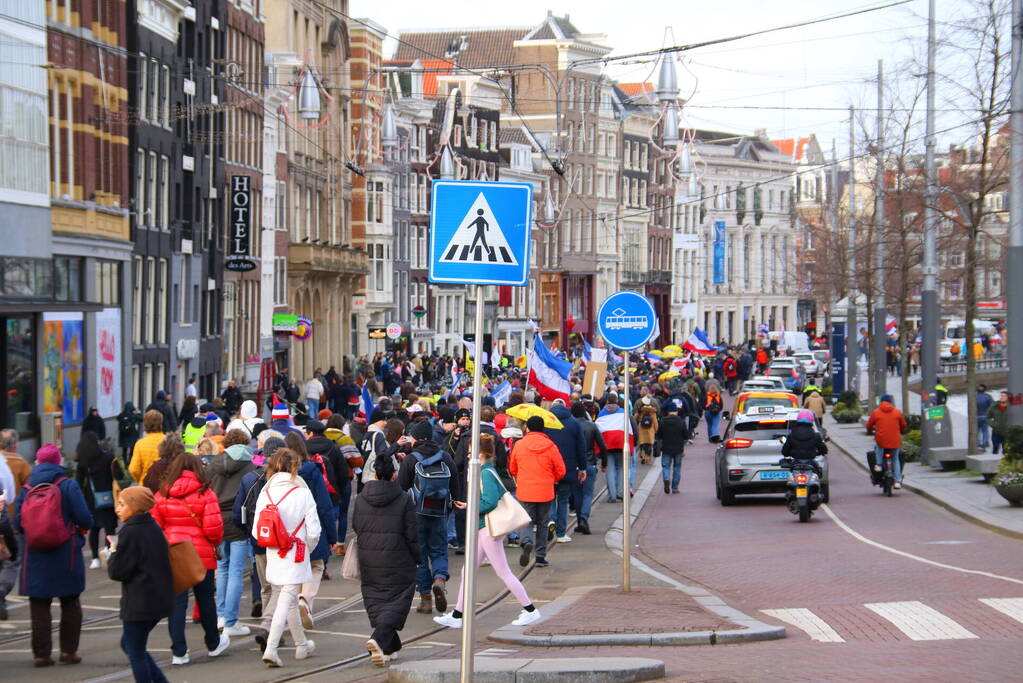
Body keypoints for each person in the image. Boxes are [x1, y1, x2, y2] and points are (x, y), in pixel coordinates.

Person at [435, 434, 542, 629]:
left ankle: (530, 610)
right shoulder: (486, 471)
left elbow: (489, 502)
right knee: (467, 570)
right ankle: (458, 615)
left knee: (503, 572)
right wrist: (470, 505)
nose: (468, 456)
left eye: (470, 452)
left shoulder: (485, 473)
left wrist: (471, 506)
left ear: (481, 453)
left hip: (487, 527)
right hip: (484, 527)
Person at [13, 443, 93, 667]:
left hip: (35, 555)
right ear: (58, 461)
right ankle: (68, 651)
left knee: (39, 605)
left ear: (38, 462)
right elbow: (85, 518)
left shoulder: (28, 488)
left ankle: (41, 654)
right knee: (70, 602)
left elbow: (17, 522)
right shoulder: (68, 485)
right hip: (65, 553)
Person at [151, 452, 229, 665]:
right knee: (205, 600)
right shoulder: (206, 493)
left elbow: (155, 525)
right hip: (200, 553)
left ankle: (179, 652)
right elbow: (213, 530)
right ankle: (213, 643)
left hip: (174, 551)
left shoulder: (163, 493)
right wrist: (213, 542)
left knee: (176, 604)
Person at [252, 447, 321, 667]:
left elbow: (256, 531)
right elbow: (314, 530)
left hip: (274, 551)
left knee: (286, 596)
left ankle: (301, 644)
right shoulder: (301, 492)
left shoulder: (266, 492)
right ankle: (272, 648)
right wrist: (307, 549)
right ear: (295, 466)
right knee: (286, 598)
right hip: (296, 551)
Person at [352, 453, 418, 667]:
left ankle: (390, 646)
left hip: (368, 558)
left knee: (377, 599)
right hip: (399, 557)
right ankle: (379, 638)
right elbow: (412, 534)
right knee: (398, 599)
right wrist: (418, 556)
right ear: (393, 476)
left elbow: (356, 526)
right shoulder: (404, 499)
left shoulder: (362, 498)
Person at [107, 486, 173, 683]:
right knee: (130, 645)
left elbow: (117, 571)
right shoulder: (152, 526)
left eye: (122, 504)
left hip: (139, 601)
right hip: (158, 598)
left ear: (135, 506)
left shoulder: (129, 532)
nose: (117, 509)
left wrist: (113, 551)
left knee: (134, 649)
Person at [397, 419, 461, 614]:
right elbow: (455, 485)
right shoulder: (445, 457)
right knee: (439, 549)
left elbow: (401, 488)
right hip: (440, 512)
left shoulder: (411, 459)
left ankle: (425, 599)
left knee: (420, 556)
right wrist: (453, 505)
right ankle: (440, 579)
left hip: (417, 513)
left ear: (416, 438)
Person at [207, 429, 257, 636]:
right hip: (239, 520)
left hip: (217, 519)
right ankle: (231, 621)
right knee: (236, 570)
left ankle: (220, 616)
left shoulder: (214, 464)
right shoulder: (250, 466)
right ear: (246, 443)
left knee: (222, 568)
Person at [509, 416, 565, 568]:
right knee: (542, 523)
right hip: (545, 490)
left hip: (526, 489)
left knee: (526, 520)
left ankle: (526, 541)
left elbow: (512, 468)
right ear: (543, 428)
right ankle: (540, 555)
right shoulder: (550, 446)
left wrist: (521, 477)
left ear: (527, 428)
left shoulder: (519, 445)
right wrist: (551, 479)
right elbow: (561, 469)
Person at [75, 430, 125, 569]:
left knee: (94, 529)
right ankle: (110, 553)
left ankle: (95, 559)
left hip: (91, 499)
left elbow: (78, 483)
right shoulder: (109, 457)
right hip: (109, 498)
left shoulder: (83, 462)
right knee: (110, 528)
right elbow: (119, 475)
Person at [0, 429, 31, 620]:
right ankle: (1, 592)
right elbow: (14, 494)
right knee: (11, 559)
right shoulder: (18, 464)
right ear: (15, 444)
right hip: (9, 520)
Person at [546, 401, 586, 544]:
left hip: (549, 468)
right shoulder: (574, 423)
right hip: (567, 468)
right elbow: (581, 447)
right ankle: (561, 533)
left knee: (550, 499)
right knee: (563, 500)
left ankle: (551, 520)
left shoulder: (546, 422)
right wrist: (582, 468)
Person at [571, 402, 606, 535]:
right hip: (589, 463)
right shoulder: (592, 426)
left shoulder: (570, 426)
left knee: (578, 494)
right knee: (587, 494)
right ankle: (584, 519)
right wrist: (604, 463)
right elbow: (602, 445)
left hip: (574, 465)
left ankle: (580, 520)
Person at [865, 394, 908, 488]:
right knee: (895, 459)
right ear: (891, 402)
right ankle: (897, 481)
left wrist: (869, 431)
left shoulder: (876, 412)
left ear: (881, 402)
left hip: (881, 439)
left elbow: (869, 425)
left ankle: (879, 464)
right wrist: (902, 431)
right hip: (895, 440)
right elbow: (903, 425)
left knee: (878, 447)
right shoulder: (897, 412)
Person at [656, 403, 690, 494]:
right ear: (676, 411)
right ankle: (675, 488)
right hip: (678, 448)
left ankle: (666, 479)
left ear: (668, 411)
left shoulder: (663, 421)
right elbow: (686, 435)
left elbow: (659, 435)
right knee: (677, 467)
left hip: (666, 447)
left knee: (665, 466)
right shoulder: (681, 421)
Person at [129, 411, 167, 485]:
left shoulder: (140, 444)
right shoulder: (168, 441)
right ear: (161, 423)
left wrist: (140, 479)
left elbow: (133, 469)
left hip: (146, 485)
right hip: (165, 484)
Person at [976, 384, 994, 451]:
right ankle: (984, 444)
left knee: (977, 431)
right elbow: (992, 406)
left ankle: (977, 443)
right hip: (985, 416)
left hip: (976, 417)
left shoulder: (974, 396)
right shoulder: (988, 396)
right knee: (985, 431)